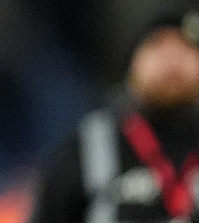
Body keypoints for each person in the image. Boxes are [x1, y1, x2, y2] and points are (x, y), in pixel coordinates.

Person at [30, 11, 199, 223]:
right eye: (158, 45)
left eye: (186, 47)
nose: (173, 60)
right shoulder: (89, 143)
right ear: (132, 65)